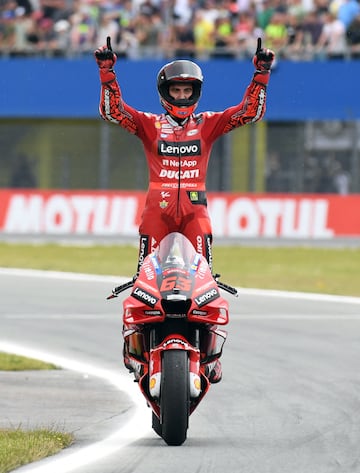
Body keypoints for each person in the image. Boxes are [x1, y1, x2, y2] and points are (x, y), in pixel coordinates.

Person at [94, 35, 274, 382]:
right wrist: (107, 72)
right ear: (165, 92)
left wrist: (261, 75)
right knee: (144, 283)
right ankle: (135, 346)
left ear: (196, 93)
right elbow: (112, 112)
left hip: (195, 213)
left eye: (186, 91)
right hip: (156, 212)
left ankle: (209, 356)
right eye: (175, 91)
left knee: (204, 284)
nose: (181, 96)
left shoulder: (208, 123)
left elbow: (248, 113)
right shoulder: (149, 124)